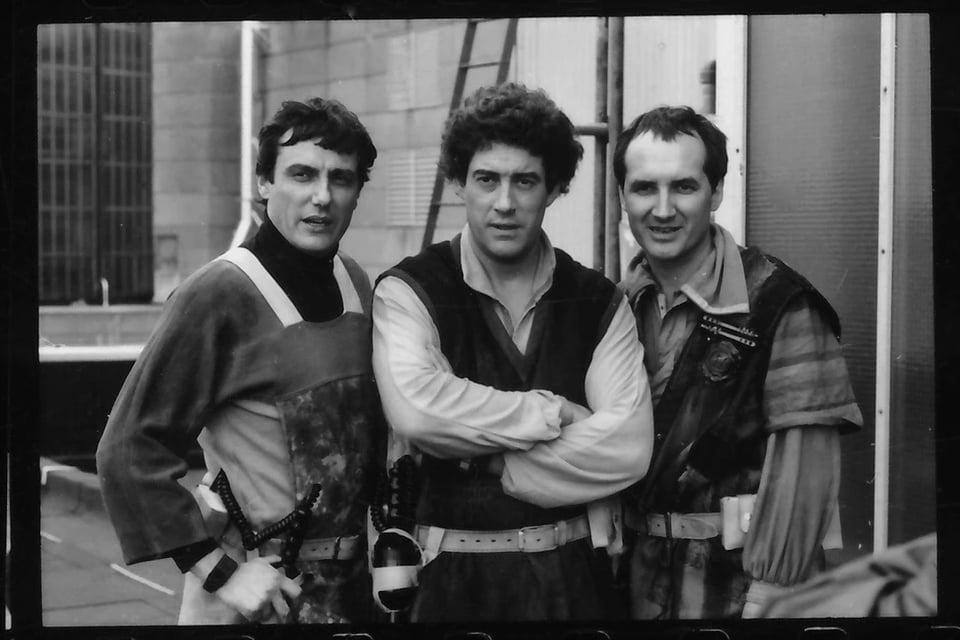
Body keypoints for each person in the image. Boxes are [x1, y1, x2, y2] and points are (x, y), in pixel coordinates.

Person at [370, 82, 655, 622]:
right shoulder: (409, 290)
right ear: (458, 182)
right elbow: (416, 410)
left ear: (552, 188)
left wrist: (494, 456)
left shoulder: (598, 300)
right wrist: (554, 413)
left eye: (525, 181)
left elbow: (629, 448)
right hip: (447, 585)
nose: (505, 202)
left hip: (574, 585)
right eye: (487, 179)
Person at [96, 98, 386, 625]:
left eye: (341, 179)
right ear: (264, 182)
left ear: (357, 191)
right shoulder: (217, 292)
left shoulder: (356, 283)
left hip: (351, 592)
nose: (321, 197)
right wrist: (218, 572)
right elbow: (127, 448)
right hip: (256, 591)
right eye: (301, 174)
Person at [613, 105, 863, 619]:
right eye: (644, 188)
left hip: (740, 590)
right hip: (632, 585)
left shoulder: (779, 303)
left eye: (683, 186)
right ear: (622, 197)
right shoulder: (613, 304)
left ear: (717, 191)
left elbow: (803, 472)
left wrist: (770, 600)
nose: (663, 209)